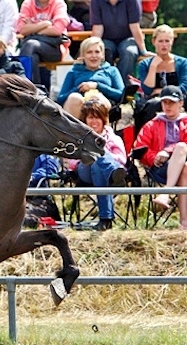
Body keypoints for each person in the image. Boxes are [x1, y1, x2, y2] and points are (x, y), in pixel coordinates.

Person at [133, 86, 187, 228]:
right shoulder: (152, 124)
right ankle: (184, 223)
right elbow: (139, 148)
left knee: (183, 157)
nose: (167, 106)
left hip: (185, 167)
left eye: (172, 102)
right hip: (159, 169)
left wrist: (168, 151)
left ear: (181, 103)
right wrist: (155, 157)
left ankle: (166, 195)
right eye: (165, 102)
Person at [70, 98, 127, 231]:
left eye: (97, 118)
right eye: (90, 117)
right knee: (96, 155)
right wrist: (88, 156)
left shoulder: (113, 138)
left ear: (103, 120)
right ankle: (113, 173)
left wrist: (106, 154)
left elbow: (122, 159)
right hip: (84, 172)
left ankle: (105, 220)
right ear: (85, 119)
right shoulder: (77, 137)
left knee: (98, 165)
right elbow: (71, 162)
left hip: (100, 173)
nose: (94, 121)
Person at [135, 24, 187, 133]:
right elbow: (147, 90)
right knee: (148, 106)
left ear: (172, 42)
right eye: (160, 41)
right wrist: (153, 67)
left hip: (178, 98)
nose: (164, 45)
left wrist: (161, 91)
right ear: (154, 42)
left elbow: (183, 87)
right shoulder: (145, 64)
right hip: (152, 99)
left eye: (167, 41)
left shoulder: (182, 63)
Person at [57, 36, 124, 119]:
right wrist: (80, 88)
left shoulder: (112, 70)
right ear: (83, 55)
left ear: (102, 55)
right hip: (78, 107)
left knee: (97, 98)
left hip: (104, 106)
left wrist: (97, 86)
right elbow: (60, 98)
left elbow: (121, 95)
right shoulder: (73, 72)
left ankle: (101, 130)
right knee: (74, 97)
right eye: (89, 52)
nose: (93, 56)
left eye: (97, 52)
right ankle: (74, 131)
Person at [90, 0, 151, 85]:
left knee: (129, 52)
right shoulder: (96, 1)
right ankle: (107, 85)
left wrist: (143, 51)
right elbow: (97, 28)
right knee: (104, 51)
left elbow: (135, 27)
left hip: (128, 38)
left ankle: (122, 87)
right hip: (107, 39)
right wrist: (91, 48)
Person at [16, 0, 70, 87]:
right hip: (33, 50)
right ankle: (37, 92)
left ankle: (25, 88)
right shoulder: (28, 3)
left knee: (30, 44)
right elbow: (22, 30)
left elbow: (57, 30)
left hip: (55, 49)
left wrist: (33, 30)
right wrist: (46, 24)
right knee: (33, 56)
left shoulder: (58, 3)